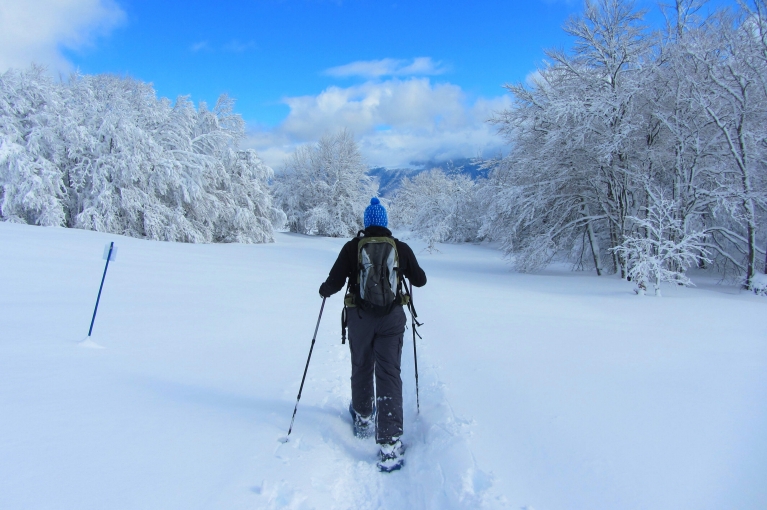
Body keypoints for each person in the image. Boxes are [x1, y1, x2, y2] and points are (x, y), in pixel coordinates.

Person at [319, 197, 427, 472]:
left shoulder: (352, 247)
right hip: (392, 318)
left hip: (360, 318)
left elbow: (334, 282)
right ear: (386, 222)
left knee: (362, 366)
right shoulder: (399, 248)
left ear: (367, 223)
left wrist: (324, 290)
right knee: (389, 373)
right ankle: (390, 444)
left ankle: (364, 417)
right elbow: (420, 280)